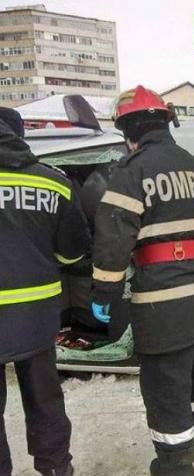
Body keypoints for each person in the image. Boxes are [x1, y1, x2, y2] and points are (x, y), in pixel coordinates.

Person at [90, 86, 194, 476]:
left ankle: (175, 465)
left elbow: (112, 242)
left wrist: (105, 293)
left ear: (129, 130)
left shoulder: (131, 172)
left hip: (162, 297)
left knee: (164, 382)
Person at [0, 108, 90, 476]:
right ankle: (55, 468)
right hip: (36, 317)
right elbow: (73, 251)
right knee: (45, 400)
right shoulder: (54, 182)